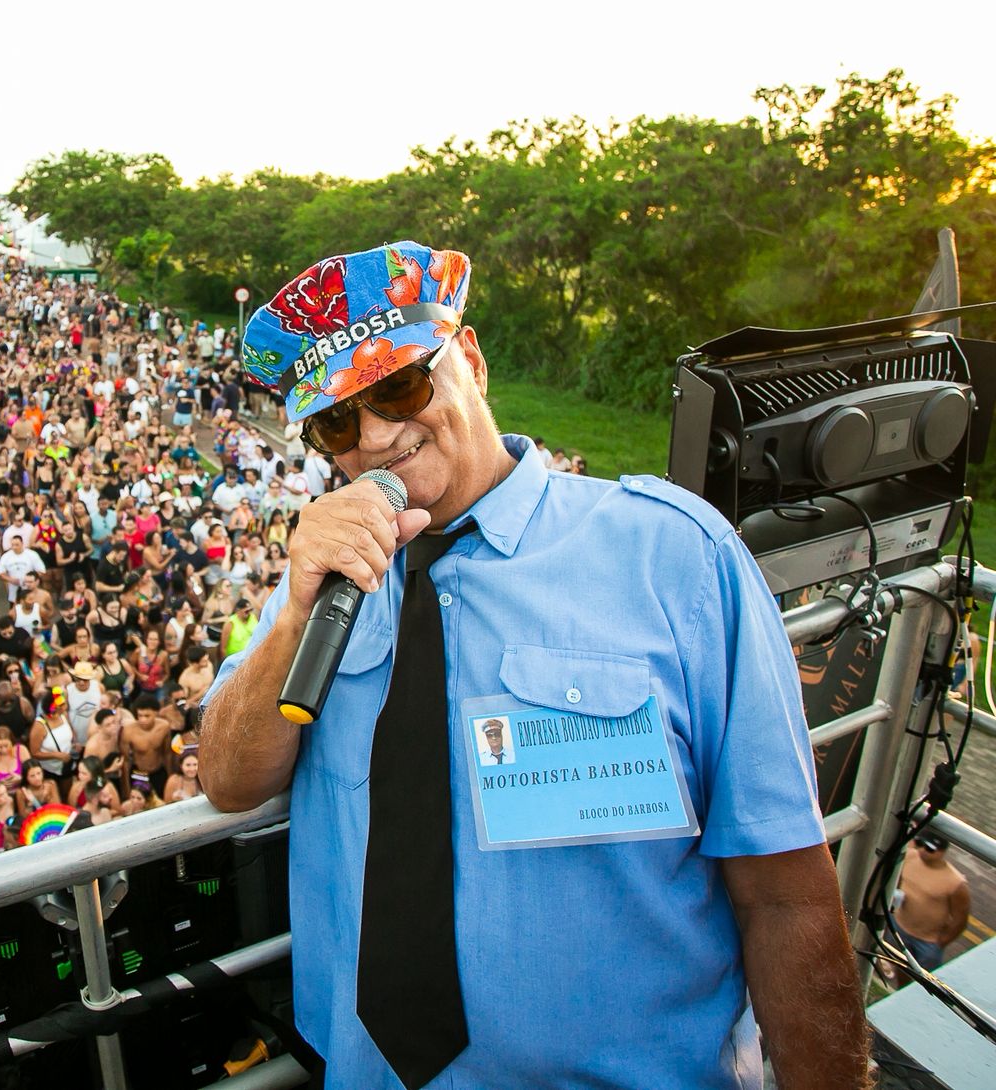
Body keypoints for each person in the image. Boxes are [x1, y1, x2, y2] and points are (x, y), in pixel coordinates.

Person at [200, 241, 866, 1089]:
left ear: (469, 359)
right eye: (336, 422)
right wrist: (295, 610)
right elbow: (227, 776)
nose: (375, 434)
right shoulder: (326, 591)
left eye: (399, 385)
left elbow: (783, 894)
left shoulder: (672, 558)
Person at [892, 831, 971, 970]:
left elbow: (960, 920)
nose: (922, 851)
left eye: (929, 849)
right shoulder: (909, 857)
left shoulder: (956, 883)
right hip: (899, 927)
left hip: (927, 942)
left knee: (926, 981)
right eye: (920, 844)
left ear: (942, 852)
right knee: (902, 967)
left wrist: (940, 943)